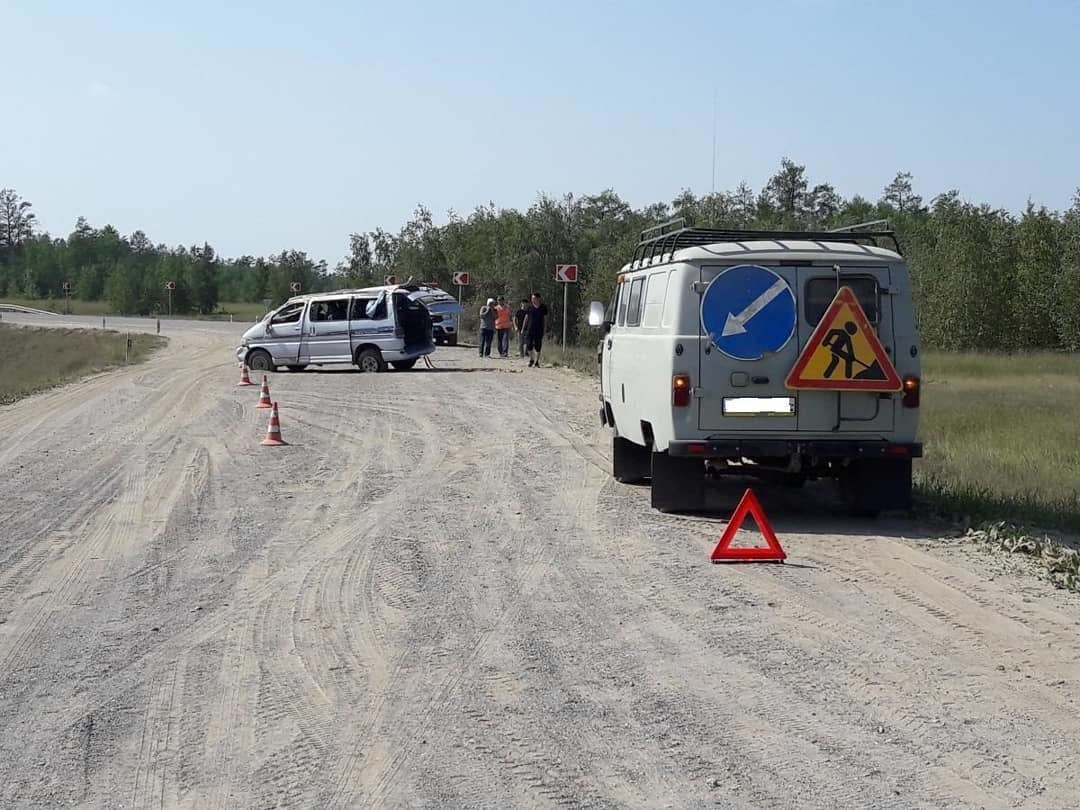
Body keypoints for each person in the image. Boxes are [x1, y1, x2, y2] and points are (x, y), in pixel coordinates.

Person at [521, 292, 549, 367]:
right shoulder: (530, 307)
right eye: (532, 298)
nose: (532, 300)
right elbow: (526, 318)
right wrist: (523, 328)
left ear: (538, 298)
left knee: (538, 346)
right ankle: (531, 359)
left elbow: (545, 319)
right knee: (529, 345)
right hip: (530, 329)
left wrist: (545, 329)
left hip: (539, 329)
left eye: (534, 298)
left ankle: (537, 361)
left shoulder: (543, 307)